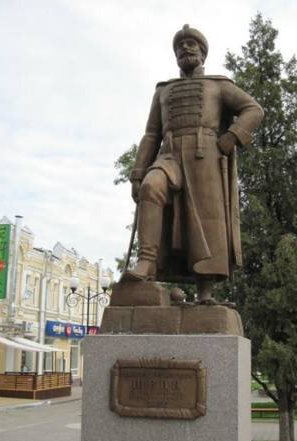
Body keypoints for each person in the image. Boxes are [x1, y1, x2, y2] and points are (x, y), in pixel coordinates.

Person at [122, 24, 264, 303]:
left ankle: (205, 292)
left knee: (207, 221)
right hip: (169, 154)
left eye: (191, 45)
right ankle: (147, 261)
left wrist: (231, 137)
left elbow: (253, 109)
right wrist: (138, 173)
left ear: (203, 53)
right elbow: (151, 134)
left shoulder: (218, 85)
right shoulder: (163, 91)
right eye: (179, 46)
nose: (185, 49)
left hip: (204, 156)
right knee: (151, 187)